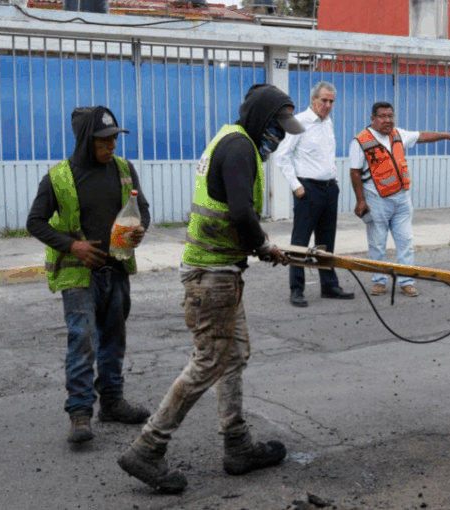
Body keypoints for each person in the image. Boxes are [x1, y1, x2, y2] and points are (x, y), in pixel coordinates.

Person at [117, 84, 301, 493]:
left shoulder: (232, 140)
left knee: (233, 356)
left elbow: (233, 211)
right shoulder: (239, 148)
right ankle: (147, 448)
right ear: (260, 120)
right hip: (211, 276)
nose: (280, 137)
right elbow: (240, 212)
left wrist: (259, 245)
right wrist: (263, 246)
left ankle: (238, 446)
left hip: (220, 271)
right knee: (208, 362)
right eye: (277, 128)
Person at [26, 106, 151, 444]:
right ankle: (80, 413)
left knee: (114, 339)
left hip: (116, 269)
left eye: (114, 139)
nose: (112, 146)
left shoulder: (124, 169)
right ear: (85, 140)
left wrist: (140, 228)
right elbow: (34, 222)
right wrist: (72, 246)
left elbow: (142, 209)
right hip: (78, 274)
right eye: (103, 140)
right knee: (82, 340)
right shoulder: (58, 177)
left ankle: (112, 402)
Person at [349, 101, 450, 297]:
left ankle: (407, 281)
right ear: (373, 119)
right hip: (376, 200)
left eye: (390, 116)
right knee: (377, 243)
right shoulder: (360, 141)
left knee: (405, 241)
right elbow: (354, 172)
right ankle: (379, 281)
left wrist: (447, 135)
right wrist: (360, 200)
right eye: (383, 116)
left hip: (402, 199)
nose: (387, 120)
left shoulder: (398, 134)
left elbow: (422, 136)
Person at [277, 81, 355, 307]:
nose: (327, 105)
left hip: (329, 189)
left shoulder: (327, 122)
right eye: (324, 100)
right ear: (313, 99)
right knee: (300, 242)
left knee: (326, 241)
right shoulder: (300, 122)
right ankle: (296, 289)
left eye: (331, 102)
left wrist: (335, 182)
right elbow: (282, 156)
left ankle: (329, 286)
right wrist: (296, 185)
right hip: (308, 189)